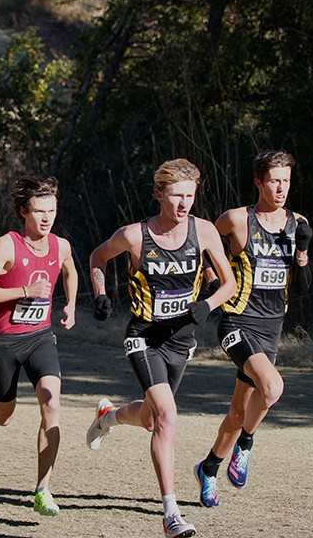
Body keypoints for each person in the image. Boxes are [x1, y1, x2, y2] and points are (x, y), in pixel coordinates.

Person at [86, 159, 236, 538]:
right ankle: (171, 513)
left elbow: (230, 284)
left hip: (182, 340)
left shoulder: (203, 232)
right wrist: (101, 293)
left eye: (190, 195)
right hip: (144, 337)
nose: (184, 203)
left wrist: (208, 304)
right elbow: (98, 257)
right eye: (176, 195)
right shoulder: (135, 236)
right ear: (158, 194)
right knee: (168, 416)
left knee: (153, 420)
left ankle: (109, 415)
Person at [192, 149, 312, 508]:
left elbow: (303, 287)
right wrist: (213, 280)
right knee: (273, 387)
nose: (281, 189)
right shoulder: (236, 220)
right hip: (237, 322)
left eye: (286, 181)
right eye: (274, 181)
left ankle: (208, 468)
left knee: (239, 412)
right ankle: (245, 444)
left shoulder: (297, 223)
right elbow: (202, 245)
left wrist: (303, 251)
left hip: (272, 329)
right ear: (258, 182)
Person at [0, 176, 78, 518]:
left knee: (52, 403)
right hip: (4, 343)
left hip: (40, 338)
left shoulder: (61, 245)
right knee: (5, 415)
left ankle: (43, 489)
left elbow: (70, 271)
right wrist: (23, 291)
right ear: (22, 212)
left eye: (52, 211)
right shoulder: (7, 246)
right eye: (39, 211)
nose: (47, 218)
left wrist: (70, 305)